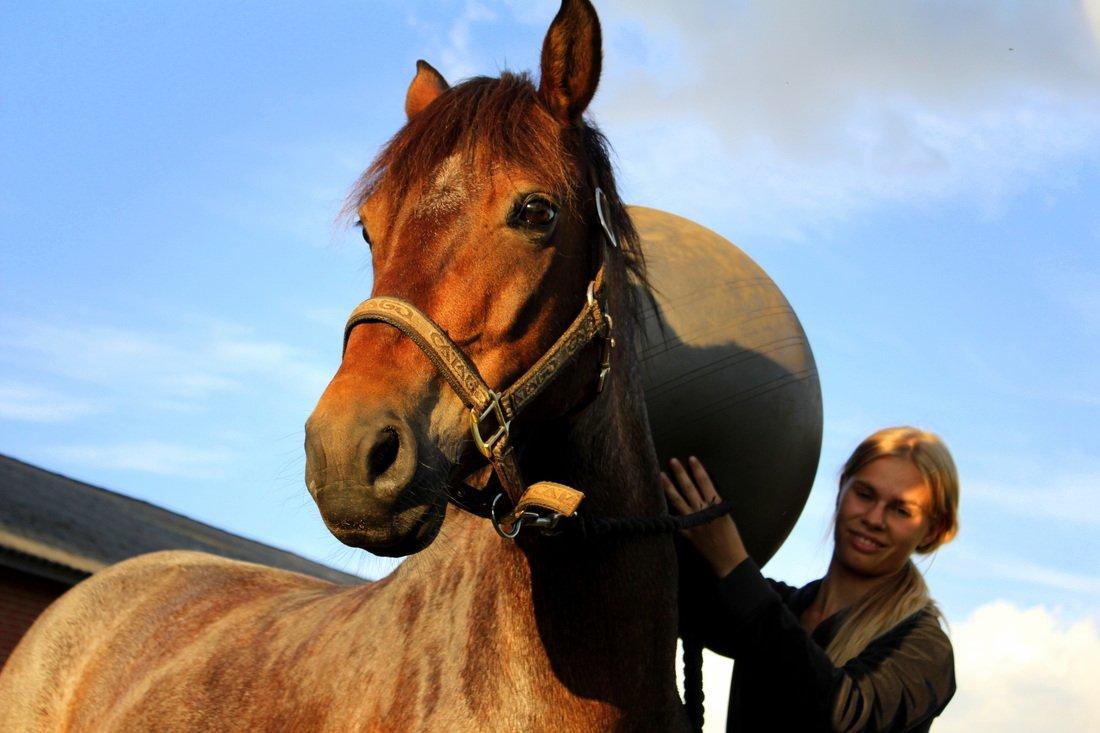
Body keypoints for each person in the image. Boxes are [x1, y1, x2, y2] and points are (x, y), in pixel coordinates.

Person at [663, 426, 960, 732]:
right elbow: (672, 599)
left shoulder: (923, 646)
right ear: (842, 487)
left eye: (900, 510)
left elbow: (842, 716)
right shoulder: (784, 609)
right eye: (865, 494)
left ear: (934, 529)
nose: (874, 519)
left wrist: (734, 565)